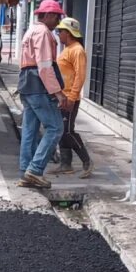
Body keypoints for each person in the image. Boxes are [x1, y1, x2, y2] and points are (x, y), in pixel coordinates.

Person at [17, 0, 69, 189]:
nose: (58, 22)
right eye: (56, 17)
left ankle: (26, 172)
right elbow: (45, 66)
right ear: (47, 15)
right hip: (38, 86)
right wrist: (58, 93)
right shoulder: (43, 33)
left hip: (27, 84)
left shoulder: (31, 31)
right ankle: (35, 169)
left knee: (30, 130)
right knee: (55, 128)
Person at [49, 17, 93, 178]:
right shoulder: (67, 49)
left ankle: (87, 161)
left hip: (69, 98)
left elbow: (80, 76)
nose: (58, 34)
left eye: (59, 31)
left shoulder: (77, 50)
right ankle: (66, 164)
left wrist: (72, 98)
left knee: (67, 131)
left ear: (68, 33)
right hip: (63, 97)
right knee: (62, 131)